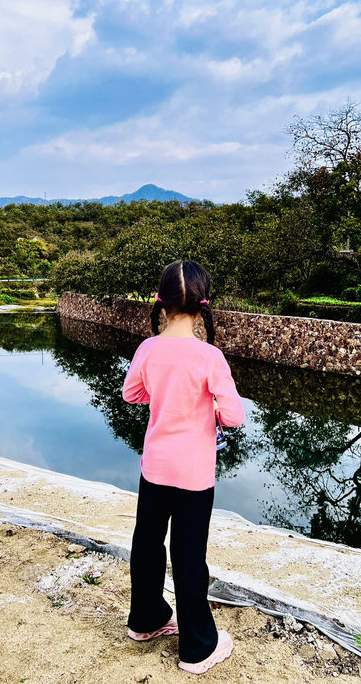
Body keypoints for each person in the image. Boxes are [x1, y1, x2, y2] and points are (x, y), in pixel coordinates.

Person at [122, 259, 246, 675]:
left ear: (162, 302)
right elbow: (234, 416)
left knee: (147, 542)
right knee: (189, 555)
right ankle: (197, 648)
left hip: (155, 468)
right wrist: (211, 408)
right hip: (193, 474)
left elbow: (131, 393)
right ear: (201, 304)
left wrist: (162, 396)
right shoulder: (210, 356)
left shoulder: (147, 349)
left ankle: (146, 620)